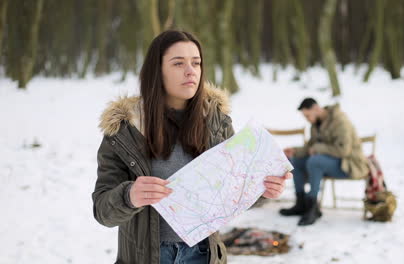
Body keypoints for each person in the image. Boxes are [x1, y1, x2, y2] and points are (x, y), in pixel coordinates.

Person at [92, 30, 292, 264]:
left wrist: (263, 189)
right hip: (147, 256)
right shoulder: (125, 130)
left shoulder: (216, 122)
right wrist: (130, 195)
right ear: (157, 71)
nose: (190, 71)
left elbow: (232, 191)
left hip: (203, 254)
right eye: (178, 63)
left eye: (196, 63)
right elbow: (102, 211)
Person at [279, 98, 369, 226]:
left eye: (308, 115)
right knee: (297, 161)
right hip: (328, 162)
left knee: (315, 162)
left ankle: (313, 207)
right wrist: (294, 151)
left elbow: (344, 150)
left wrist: (318, 148)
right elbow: (310, 147)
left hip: (349, 164)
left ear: (316, 108)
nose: (307, 119)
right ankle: (301, 204)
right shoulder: (316, 125)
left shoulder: (340, 121)